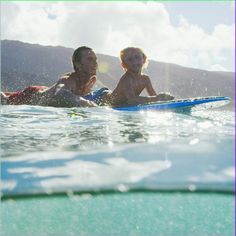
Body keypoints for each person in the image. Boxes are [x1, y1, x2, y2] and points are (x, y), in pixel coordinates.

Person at [1, 46, 107, 107]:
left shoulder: (91, 80)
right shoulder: (67, 81)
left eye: (95, 59)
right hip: (32, 95)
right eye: (90, 59)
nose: (95, 63)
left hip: (45, 89)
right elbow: (59, 93)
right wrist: (88, 104)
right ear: (78, 64)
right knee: (4, 99)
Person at [103, 47, 174, 107]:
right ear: (124, 65)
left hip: (121, 103)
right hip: (103, 98)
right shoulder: (127, 79)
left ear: (144, 59)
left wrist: (163, 99)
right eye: (130, 59)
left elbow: (154, 97)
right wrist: (157, 98)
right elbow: (132, 100)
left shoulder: (145, 79)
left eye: (137, 57)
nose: (134, 61)